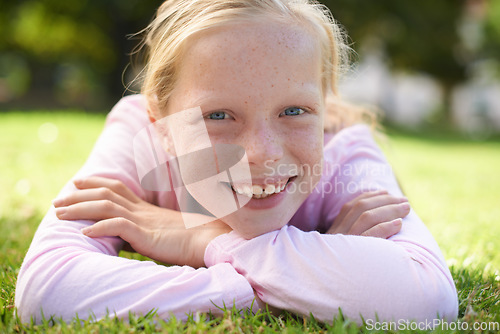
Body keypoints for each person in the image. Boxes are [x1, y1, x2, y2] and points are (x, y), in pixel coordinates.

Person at [15, 0, 458, 325]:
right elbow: (47, 289)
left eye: (294, 111)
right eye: (219, 116)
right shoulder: (138, 135)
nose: (264, 152)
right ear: (162, 123)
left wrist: (203, 243)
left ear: (324, 107)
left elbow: (425, 298)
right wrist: (303, 280)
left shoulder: (348, 153)